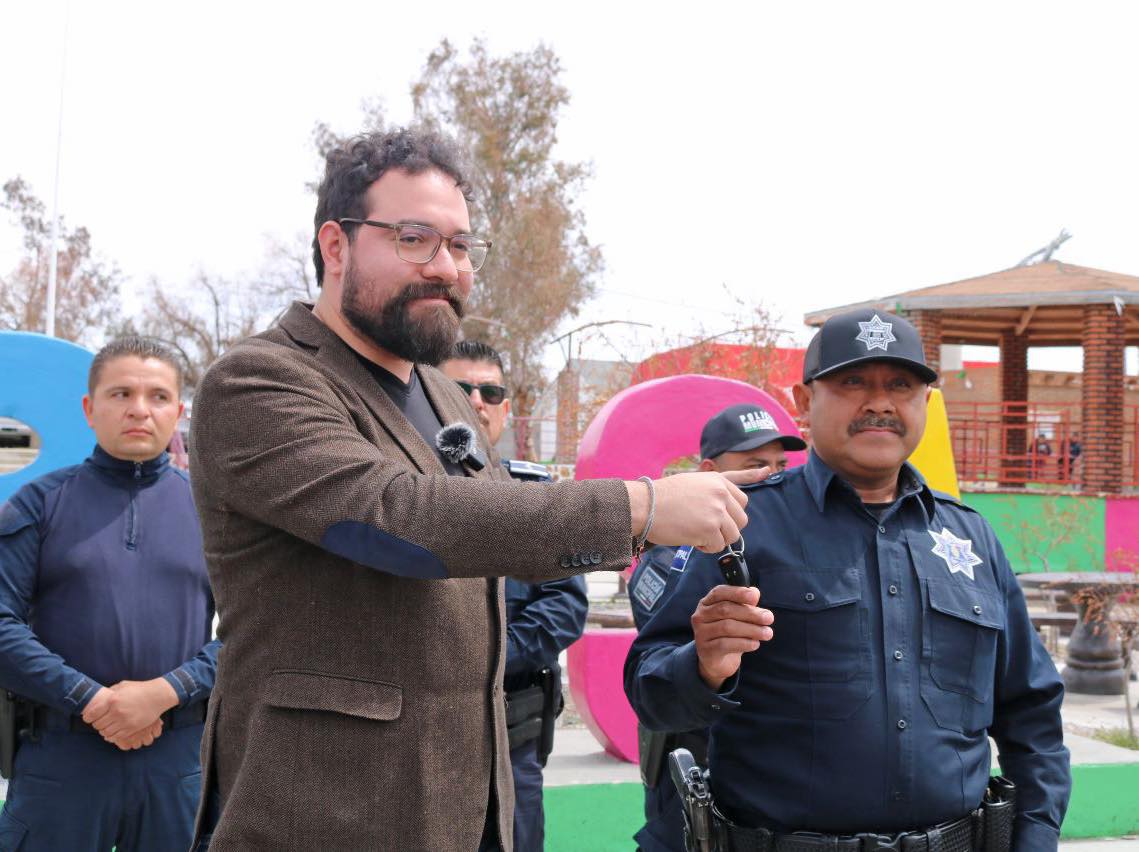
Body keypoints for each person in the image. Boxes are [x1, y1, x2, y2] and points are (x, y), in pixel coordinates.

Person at [187, 127, 760, 852]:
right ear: (335, 247)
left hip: (470, 805)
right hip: (322, 812)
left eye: (459, 246)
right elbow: (394, 518)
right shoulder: (262, 382)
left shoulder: (443, 394)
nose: (446, 268)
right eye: (414, 239)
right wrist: (639, 507)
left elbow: (497, 540)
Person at [626, 309, 1071, 852]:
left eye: (900, 385)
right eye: (853, 381)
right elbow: (651, 693)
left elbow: (1032, 712)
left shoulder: (972, 540)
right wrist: (702, 666)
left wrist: (1037, 833)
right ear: (804, 401)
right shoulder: (742, 526)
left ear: (925, 404)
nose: (879, 403)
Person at [0, 337, 219, 852]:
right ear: (89, 408)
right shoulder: (37, 503)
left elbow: (255, 629)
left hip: (179, 766)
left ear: (179, 411)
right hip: (61, 764)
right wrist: (91, 700)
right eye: (121, 393)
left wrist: (166, 692)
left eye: (158, 396)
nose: (139, 409)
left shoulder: (216, 513)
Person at [628, 402, 805, 852]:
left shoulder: (793, 535)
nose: (771, 475)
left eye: (781, 465)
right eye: (755, 465)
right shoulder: (677, 552)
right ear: (710, 472)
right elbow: (661, 658)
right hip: (693, 760)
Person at [441, 338, 588, 852]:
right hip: (417, 739)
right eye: (460, 388)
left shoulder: (538, 499)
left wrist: (480, 659)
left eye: (491, 390)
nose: (477, 400)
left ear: (506, 408)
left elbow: (565, 608)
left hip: (512, 736)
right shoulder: (390, 497)